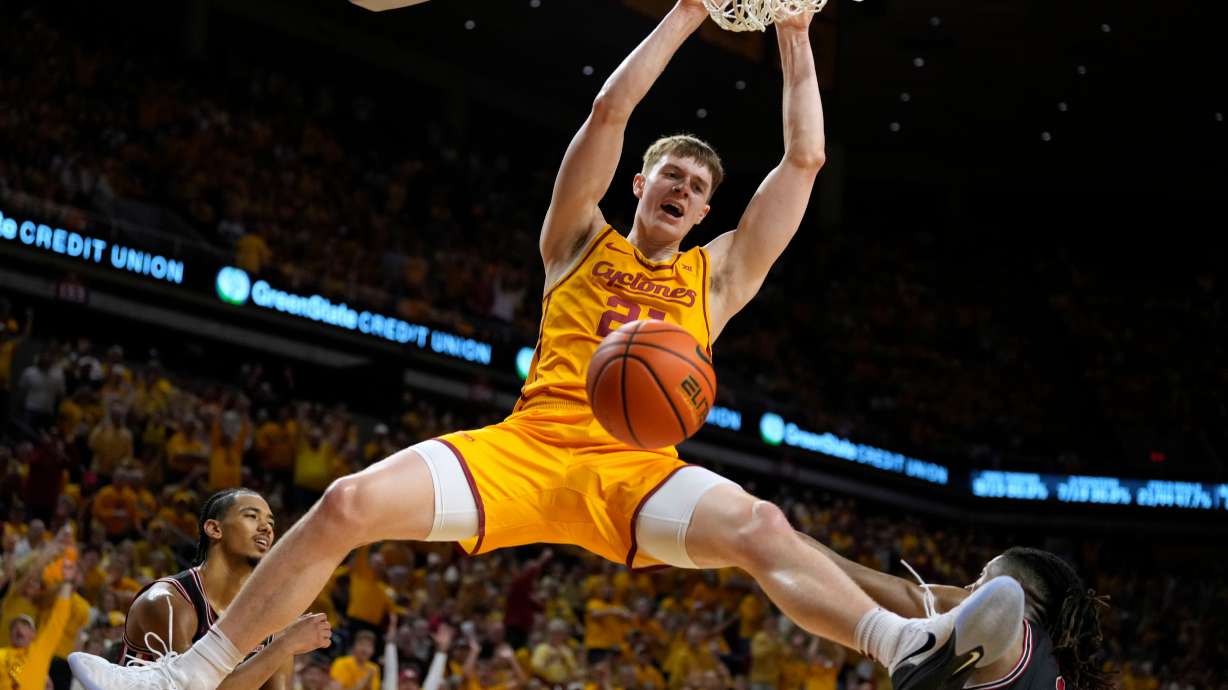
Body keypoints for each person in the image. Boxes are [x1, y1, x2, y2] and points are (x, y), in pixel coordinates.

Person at [67, 4, 1024, 690]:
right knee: (347, 501)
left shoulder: (716, 278)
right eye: (670, 172)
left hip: (637, 472)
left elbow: (805, 162)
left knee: (763, 530)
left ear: (706, 210)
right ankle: (186, 677)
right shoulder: (577, 242)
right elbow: (607, 116)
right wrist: (688, 12)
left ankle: (903, 646)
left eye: (699, 182)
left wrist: (797, 36)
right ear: (642, 185)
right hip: (528, 449)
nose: (684, 186)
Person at [804, 541, 1113, 690]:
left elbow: (900, 592)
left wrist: (781, 539)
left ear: (1011, 590)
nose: (970, 586)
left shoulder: (993, 616)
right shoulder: (1051, 668)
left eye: (982, 577)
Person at [118, 489, 331, 690]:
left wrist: (284, 644)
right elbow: (190, 689)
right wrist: (287, 644)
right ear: (215, 529)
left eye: (270, 522)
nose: (266, 527)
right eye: (252, 516)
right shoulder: (167, 601)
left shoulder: (271, 622)